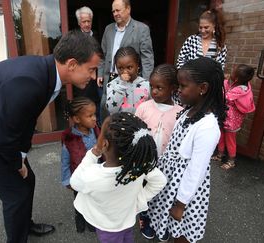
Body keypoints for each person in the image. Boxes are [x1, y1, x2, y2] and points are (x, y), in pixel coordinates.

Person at [0, 30, 103, 243]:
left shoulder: (45, 71)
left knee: (27, 178)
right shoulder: (30, 81)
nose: (92, 76)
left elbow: (24, 120)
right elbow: (5, 137)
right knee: (15, 192)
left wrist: (21, 156)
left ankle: (24, 225)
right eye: (91, 69)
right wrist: (17, 162)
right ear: (71, 64)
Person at [147, 57, 227, 242]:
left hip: (185, 190)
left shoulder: (208, 126)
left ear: (203, 88)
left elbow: (196, 169)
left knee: (182, 230)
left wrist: (181, 203)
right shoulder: (189, 110)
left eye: (183, 86)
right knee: (172, 226)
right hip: (172, 179)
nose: (178, 90)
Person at [70, 112, 167, 243]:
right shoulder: (139, 163)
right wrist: (139, 200)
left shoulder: (93, 176)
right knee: (127, 238)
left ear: (104, 144)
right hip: (127, 218)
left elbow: (74, 182)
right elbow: (160, 180)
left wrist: (93, 154)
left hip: (108, 227)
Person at [135, 64, 183, 240]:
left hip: (167, 163)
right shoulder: (144, 107)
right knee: (145, 190)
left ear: (173, 88)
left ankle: (162, 221)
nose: (154, 91)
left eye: (160, 87)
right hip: (144, 161)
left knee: (163, 191)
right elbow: (134, 132)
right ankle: (145, 219)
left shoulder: (180, 112)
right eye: (152, 86)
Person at [97, 0, 154, 121]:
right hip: (110, 78)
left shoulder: (141, 29)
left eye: (118, 10)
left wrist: (146, 83)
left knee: (127, 114)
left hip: (131, 80)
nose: (115, 13)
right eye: (113, 11)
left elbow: (147, 57)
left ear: (128, 9)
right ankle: (106, 136)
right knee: (106, 109)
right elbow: (102, 53)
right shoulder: (108, 29)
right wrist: (100, 72)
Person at [61, 97, 99, 233]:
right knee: (79, 199)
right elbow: (65, 162)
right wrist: (67, 180)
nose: (94, 118)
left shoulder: (96, 131)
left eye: (95, 114)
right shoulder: (70, 139)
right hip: (79, 177)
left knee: (93, 198)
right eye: (90, 116)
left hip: (95, 176)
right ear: (77, 119)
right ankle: (80, 217)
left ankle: (91, 219)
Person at [212, 64, 256, 170]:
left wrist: (223, 82)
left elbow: (224, 96)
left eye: (232, 72)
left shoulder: (240, 90)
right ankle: (220, 154)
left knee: (230, 140)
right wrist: (227, 82)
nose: (230, 73)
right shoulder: (242, 85)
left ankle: (231, 161)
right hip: (226, 117)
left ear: (236, 78)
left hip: (232, 121)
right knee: (221, 134)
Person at [73, 6, 101, 122]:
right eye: (83, 21)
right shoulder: (74, 38)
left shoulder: (98, 36)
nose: (86, 24)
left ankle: (97, 129)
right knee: (84, 107)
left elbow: (102, 56)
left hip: (97, 79)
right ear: (79, 23)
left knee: (97, 105)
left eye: (88, 21)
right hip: (82, 79)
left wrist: (96, 72)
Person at [106, 47, 150, 115]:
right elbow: (111, 110)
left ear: (137, 65)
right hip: (121, 124)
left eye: (129, 67)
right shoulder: (112, 85)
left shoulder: (147, 85)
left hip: (141, 124)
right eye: (120, 68)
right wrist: (122, 84)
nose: (125, 72)